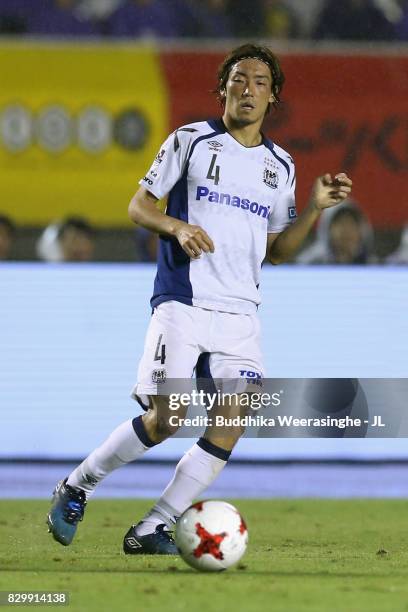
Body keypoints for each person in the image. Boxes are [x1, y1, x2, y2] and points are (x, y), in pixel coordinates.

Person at [46, 43, 352, 554]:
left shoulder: (281, 166)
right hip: (183, 301)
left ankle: (153, 525)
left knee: (233, 420)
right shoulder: (190, 140)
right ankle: (77, 484)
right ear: (223, 89)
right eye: (239, 79)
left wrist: (315, 209)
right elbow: (139, 206)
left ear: (273, 96)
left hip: (240, 312)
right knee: (168, 418)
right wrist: (177, 225)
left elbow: (277, 252)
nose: (248, 88)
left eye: (259, 81)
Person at [296, 201, 376, 265]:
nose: (346, 231)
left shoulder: (374, 267)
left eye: (351, 224)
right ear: (327, 229)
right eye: (341, 223)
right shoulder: (309, 265)